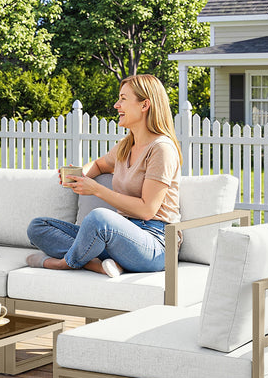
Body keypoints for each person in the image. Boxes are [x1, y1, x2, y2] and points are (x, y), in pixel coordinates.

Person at [27, 74, 181, 277]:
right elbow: (99, 165)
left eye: (123, 99)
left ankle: (66, 263)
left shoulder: (161, 149)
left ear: (145, 105)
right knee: (38, 226)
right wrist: (80, 175)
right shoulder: (126, 146)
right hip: (120, 236)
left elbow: (147, 210)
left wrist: (96, 190)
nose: (117, 105)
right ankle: (101, 264)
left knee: (99, 218)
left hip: (155, 243)